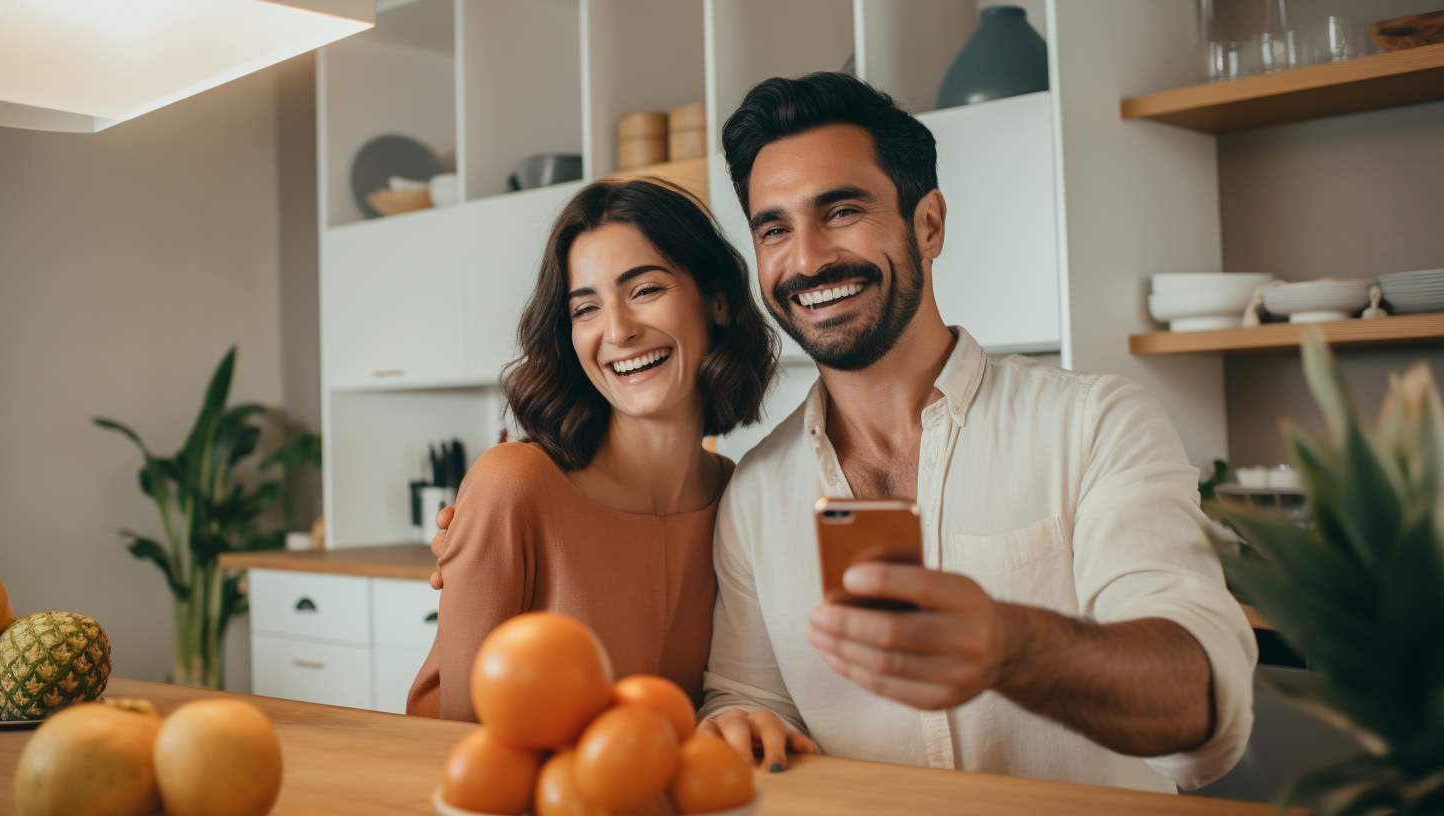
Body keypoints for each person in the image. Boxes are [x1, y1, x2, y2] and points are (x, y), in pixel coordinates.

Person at [692, 72, 1257, 793]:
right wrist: (737, 721)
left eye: (840, 211)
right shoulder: (755, 495)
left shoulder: (1096, 424)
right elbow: (751, 701)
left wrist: (1010, 647)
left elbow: (1200, 703)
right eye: (774, 228)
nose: (805, 259)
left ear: (928, 224)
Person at [406, 179, 779, 720]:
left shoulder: (740, 496)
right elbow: (462, 743)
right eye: (586, 309)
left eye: (645, 290)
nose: (618, 330)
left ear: (717, 299)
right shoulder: (514, 485)